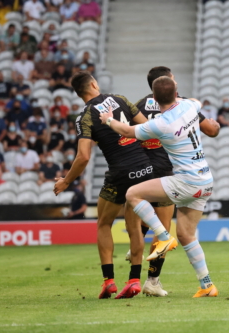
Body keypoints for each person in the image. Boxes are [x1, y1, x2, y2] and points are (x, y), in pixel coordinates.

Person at [99, 76, 219, 298]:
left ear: (154, 98)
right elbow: (196, 101)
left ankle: (163, 236)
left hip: (186, 180)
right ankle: (207, 284)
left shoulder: (160, 124)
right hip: (205, 180)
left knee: (133, 194)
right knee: (186, 235)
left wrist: (107, 119)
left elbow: (126, 132)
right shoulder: (189, 106)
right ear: (176, 93)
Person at [54, 71, 154, 299]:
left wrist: (66, 181)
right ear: (93, 84)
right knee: (134, 226)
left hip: (119, 174)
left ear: (79, 93)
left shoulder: (85, 117)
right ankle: (134, 280)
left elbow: (83, 157)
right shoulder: (120, 99)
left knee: (103, 223)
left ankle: (109, 281)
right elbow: (147, 129)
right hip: (144, 169)